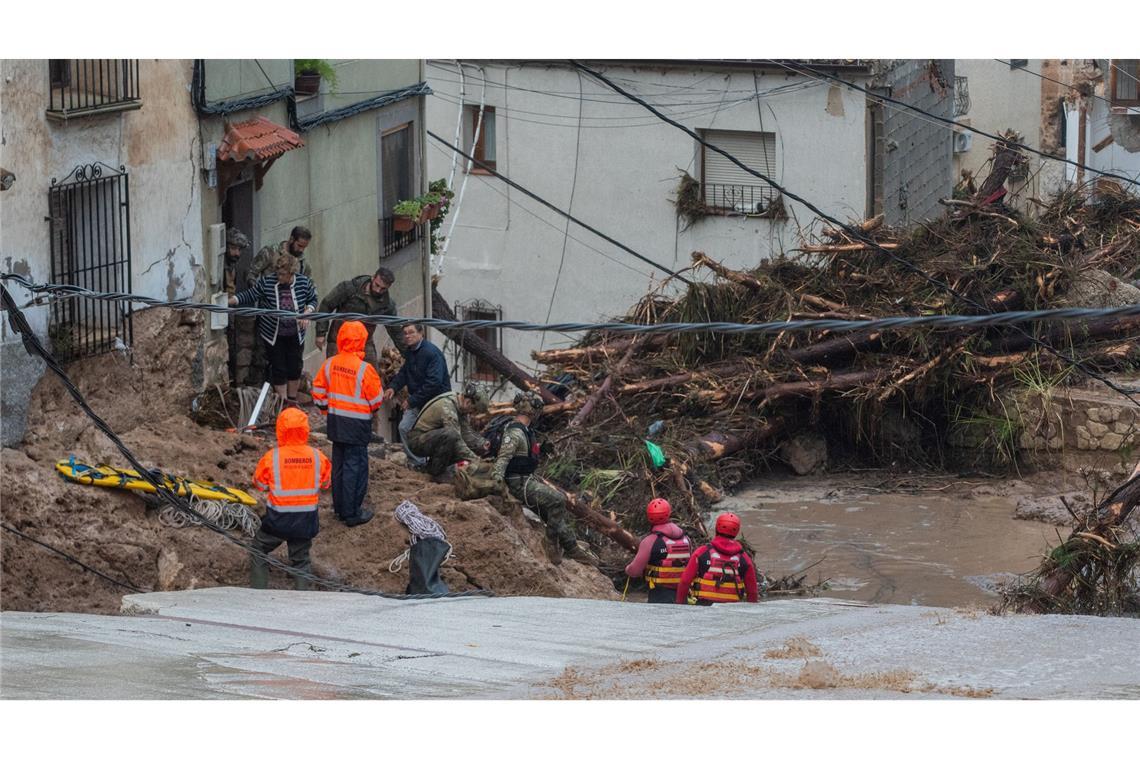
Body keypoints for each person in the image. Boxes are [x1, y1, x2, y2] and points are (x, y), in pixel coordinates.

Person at [492, 391, 599, 567]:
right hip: (518, 483)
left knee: (551, 513)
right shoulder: (515, 433)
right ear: (534, 411)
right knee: (557, 500)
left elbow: (522, 453)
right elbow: (503, 458)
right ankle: (550, 543)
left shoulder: (524, 431)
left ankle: (571, 546)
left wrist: (541, 449)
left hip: (526, 479)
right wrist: (496, 483)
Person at [249, 407, 331, 590]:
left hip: (278, 520)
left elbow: (260, 484)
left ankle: (257, 595)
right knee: (301, 561)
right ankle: (302, 601)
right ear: (305, 430)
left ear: (280, 430)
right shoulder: (318, 457)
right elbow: (326, 484)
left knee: (258, 550)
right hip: (305, 520)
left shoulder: (272, 457)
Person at [311, 320, 383, 527]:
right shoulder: (364, 369)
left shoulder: (330, 363)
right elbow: (376, 399)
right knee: (356, 467)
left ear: (341, 338)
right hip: (357, 424)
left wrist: (326, 409)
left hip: (335, 422)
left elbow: (318, 392)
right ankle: (352, 513)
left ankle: (340, 508)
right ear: (362, 341)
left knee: (339, 465)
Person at [230, 253, 318, 406]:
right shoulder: (267, 282)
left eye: (283, 275)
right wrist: (232, 300)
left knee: (294, 366)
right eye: (278, 273)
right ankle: (282, 403)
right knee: (279, 367)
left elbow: (313, 299)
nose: (279, 277)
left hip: (295, 334)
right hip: (274, 334)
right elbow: (251, 295)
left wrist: (307, 313)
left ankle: (292, 400)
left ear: (291, 274)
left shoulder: (303, 282)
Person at [383, 323, 451, 468]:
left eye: (411, 332)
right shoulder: (410, 352)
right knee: (404, 427)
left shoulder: (431, 353)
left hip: (436, 402)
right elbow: (404, 373)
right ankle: (417, 462)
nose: (407, 336)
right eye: (405, 333)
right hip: (419, 401)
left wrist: (412, 400)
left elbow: (434, 382)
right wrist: (393, 388)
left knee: (435, 434)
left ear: (421, 333)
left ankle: (440, 466)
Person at [313, 268, 403, 366]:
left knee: (371, 375)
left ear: (388, 287)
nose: (378, 290)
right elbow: (327, 305)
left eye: (383, 289)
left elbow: (395, 331)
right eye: (377, 285)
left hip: (365, 343)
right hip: (339, 340)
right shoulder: (349, 289)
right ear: (373, 278)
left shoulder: (387, 305)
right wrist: (320, 333)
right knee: (337, 373)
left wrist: (409, 354)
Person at [403, 382, 490, 481]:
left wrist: (482, 444)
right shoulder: (448, 405)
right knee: (451, 436)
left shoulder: (461, 407)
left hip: (431, 438)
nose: (473, 413)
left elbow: (466, 434)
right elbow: (456, 439)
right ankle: (436, 473)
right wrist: (475, 460)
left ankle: (429, 469)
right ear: (468, 402)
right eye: (474, 410)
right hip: (417, 440)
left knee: (466, 443)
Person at [676, 512, 758, 605]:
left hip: (703, 609)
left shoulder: (702, 552)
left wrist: (680, 605)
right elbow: (752, 591)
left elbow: (685, 582)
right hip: (732, 612)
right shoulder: (744, 558)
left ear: (717, 528)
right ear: (736, 531)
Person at [625, 498, 693, 603]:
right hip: (683, 595)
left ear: (649, 516)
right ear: (669, 513)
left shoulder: (650, 541)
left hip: (659, 595)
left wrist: (628, 569)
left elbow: (634, 571)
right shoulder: (686, 539)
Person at [220, 228, 259, 386]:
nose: (237, 253)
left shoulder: (232, 265)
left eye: (239, 250)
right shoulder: (221, 265)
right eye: (234, 248)